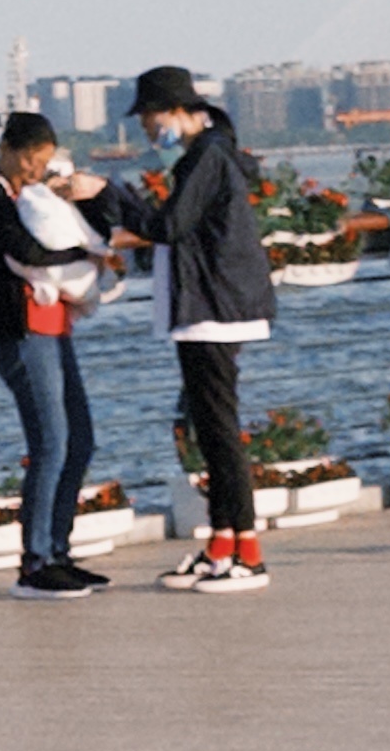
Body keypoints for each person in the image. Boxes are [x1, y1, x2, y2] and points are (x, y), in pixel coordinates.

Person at [106, 65, 276, 592]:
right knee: (208, 425)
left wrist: (108, 196)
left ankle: (249, 551)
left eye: (150, 117)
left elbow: (167, 226)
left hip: (215, 308)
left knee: (220, 431)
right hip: (209, 306)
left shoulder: (205, 156)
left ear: (177, 111)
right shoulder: (208, 154)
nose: (147, 129)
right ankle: (221, 543)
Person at [0, 112, 109, 595]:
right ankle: (35, 562)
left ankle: (59, 549)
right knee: (51, 440)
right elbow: (26, 250)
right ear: (19, 152)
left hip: (54, 325)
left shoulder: (30, 194)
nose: (40, 170)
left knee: (80, 437)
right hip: (16, 331)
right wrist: (84, 257)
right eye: (37, 161)